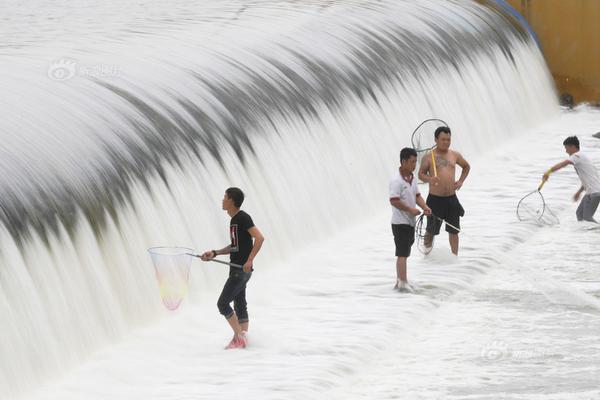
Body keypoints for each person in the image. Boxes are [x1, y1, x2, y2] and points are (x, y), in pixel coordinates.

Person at [201, 187, 265, 349]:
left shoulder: (242, 218)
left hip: (241, 271)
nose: (222, 200)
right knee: (240, 303)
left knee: (222, 304)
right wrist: (215, 253)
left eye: (224, 197)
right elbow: (235, 246)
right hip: (238, 269)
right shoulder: (234, 220)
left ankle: (239, 338)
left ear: (231, 201)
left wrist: (249, 260)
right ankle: (244, 340)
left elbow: (259, 238)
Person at [418, 126, 470, 255]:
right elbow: (420, 174)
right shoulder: (429, 157)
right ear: (436, 139)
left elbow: (466, 166)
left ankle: (455, 257)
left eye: (448, 139)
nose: (446, 142)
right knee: (431, 231)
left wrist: (461, 181)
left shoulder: (455, 155)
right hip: (435, 199)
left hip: (451, 199)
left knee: (454, 230)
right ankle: (427, 256)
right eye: (443, 139)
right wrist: (429, 179)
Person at [390, 147, 431, 291]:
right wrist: (410, 209)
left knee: (405, 251)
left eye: (415, 162)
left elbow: (417, 196)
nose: (415, 165)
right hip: (400, 222)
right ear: (403, 162)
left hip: (410, 222)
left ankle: (401, 282)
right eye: (412, 162)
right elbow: (393, 200)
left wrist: (425, 206)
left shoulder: (412, 179)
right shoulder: (396, 180)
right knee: (402, 253)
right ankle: (402, 282)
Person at [542, 136, 600, 222]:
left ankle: (596, 231)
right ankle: (586, 234)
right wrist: (579, 192)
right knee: (579, 214)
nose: (566, 151)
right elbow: (587, 181)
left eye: (566, 148)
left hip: (594, 192)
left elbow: (564, 164)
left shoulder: (577, 156)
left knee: (587, 218)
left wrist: (548, 172)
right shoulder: (582, 159)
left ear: (573, 147)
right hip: (590, 192)